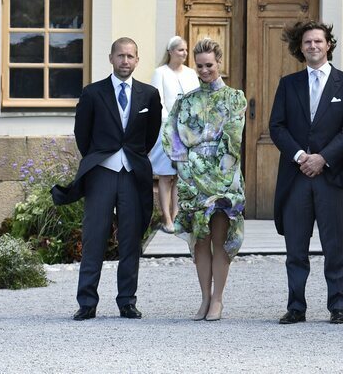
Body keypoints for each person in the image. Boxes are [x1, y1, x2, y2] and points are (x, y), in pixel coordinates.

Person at [51, 38, 162, 321]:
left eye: (130, 56)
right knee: (94, 238)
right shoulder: (92, 93)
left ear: (137, 60)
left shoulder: (149, 95)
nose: (125, 61)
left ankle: (127, 301)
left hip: (132, 175)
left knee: (130, 240)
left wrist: (133, 157)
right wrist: (101, 158)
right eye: (120, 56)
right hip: (101, 173)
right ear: (111, 58)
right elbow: (82, 135)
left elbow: (151, 134)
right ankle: (87, 302)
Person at [270, 21, 343, 325]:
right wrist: (300, 156)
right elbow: (277, 127)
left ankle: (338, 305)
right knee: (296, 246)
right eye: (307, 42)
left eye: (318, 41)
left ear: (328, 45)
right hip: (296, 176)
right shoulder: (288, 84)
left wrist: (323, 158)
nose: (313, 46)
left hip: (330, 175)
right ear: (301, 48)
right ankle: (296, 307)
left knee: (334, 244)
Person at [162, 38, 246, 322]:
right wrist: (186, 170)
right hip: (191, 181)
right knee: (200, 241)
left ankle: (218, 300)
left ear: (219, 63)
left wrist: (218, 178)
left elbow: (233, 140)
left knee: (220, 240)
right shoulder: (185, 101)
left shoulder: (235, 98)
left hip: (223, 179)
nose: (204, 70)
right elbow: (171, 136)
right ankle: (204, 298)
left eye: (209, 65)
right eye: (199, 66)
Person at [149, 36, 199, 232]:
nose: (184, 53)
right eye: (180, 50)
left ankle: (177, 215)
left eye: (186, 50)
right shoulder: (160, 72)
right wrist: (171, 123)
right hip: (166, 129)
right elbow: (157, 101)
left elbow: (195, 100)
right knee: (165, 175)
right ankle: (166, 217)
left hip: (186, 131)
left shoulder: (190, 73)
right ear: (170, 52)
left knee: (179, 175)